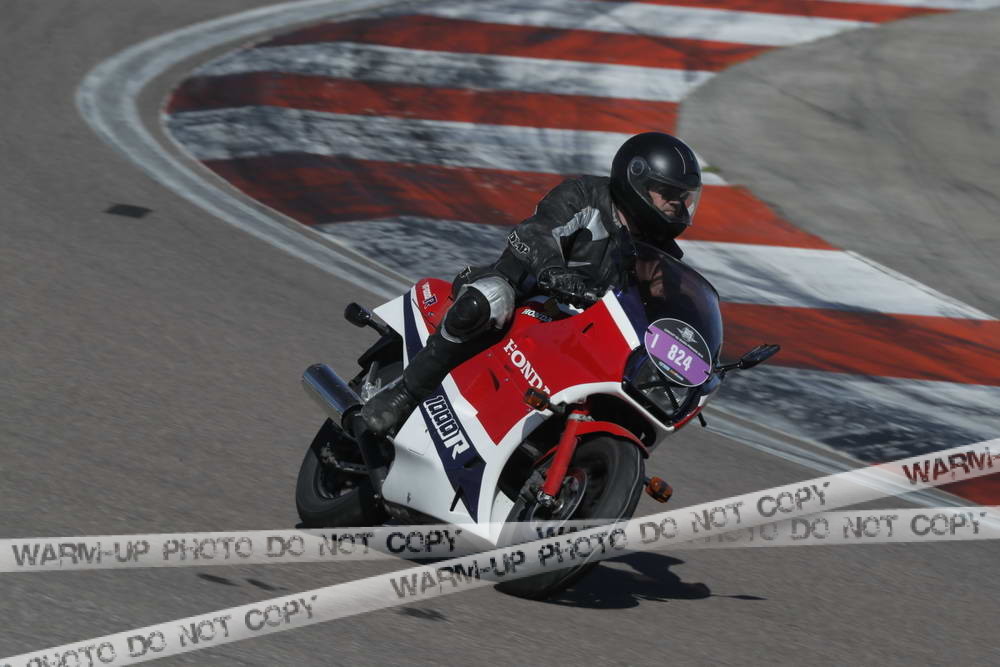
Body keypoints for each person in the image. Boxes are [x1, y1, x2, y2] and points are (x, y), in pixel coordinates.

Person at [361, 131, 704, 436]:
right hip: (524, 292)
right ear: (636, 181)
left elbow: (662, 308)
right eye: (668, 194)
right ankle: (404, 394)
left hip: (582, 329)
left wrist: (696, 344)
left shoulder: (661, 255)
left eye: (683, 198)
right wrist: (555, 272)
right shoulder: (584, 195)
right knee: (489, 299)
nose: (677, 206)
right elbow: (533, 232)